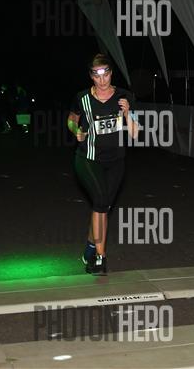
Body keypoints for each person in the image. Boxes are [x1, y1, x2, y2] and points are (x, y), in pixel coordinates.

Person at [67, 54, 139, 275]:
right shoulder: (82, 98)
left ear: (111, 73)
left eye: (105, 74)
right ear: (91, 76)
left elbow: (135, 134)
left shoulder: (124, 96)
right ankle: (100, 257)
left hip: (116, 161)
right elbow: (71, 120)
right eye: (97, 76)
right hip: (88, 158)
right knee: (100, 201)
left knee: (103, 207)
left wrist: (127, 113)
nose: (102, 80)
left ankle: (90, 248)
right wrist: (76, 131)